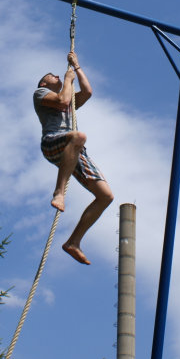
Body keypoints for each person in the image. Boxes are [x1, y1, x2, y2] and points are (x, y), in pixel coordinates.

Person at [33, 51, 113, 265]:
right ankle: (59, 192)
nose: (57, 76)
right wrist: (68, 79)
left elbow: (87, 92)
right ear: (44, 82)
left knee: (105, 196)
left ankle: (73, 242)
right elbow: (62, 101)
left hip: (74, 148)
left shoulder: (68, 97)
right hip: (53, 142)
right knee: (79, 136)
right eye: (51, 75)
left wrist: (77, 67)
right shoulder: (40, 93)